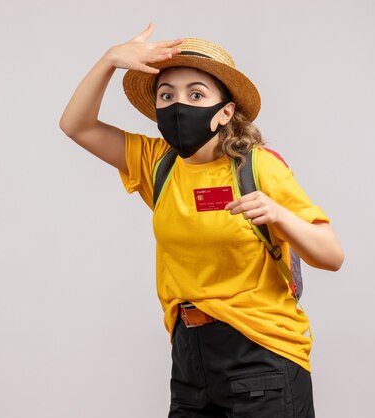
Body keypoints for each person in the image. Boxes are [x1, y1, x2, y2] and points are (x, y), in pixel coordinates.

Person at [59, 23, 344, 417]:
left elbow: (332, 256)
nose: (179, 105)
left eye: (196, 94)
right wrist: (110, 60)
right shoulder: (157, 163)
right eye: (166, 95)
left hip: (262, 355)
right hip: (190, 359)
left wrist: (278, 215)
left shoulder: (258, 167)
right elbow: (77, 125)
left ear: (225, 111)